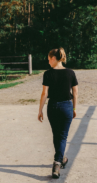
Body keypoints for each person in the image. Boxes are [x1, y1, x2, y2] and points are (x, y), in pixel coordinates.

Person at [38, 47, 78, 179]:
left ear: (54, 58)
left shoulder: (48, 74)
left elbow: (45, 93)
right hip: (66, 106)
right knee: (61, 136)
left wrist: (40, 110)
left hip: (53, 107)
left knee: (57, 136)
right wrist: (74, 108)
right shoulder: (71, 73)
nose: (48, 62)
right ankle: (59, 161)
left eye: (49, 59)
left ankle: (60, 160)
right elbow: (75, 93)